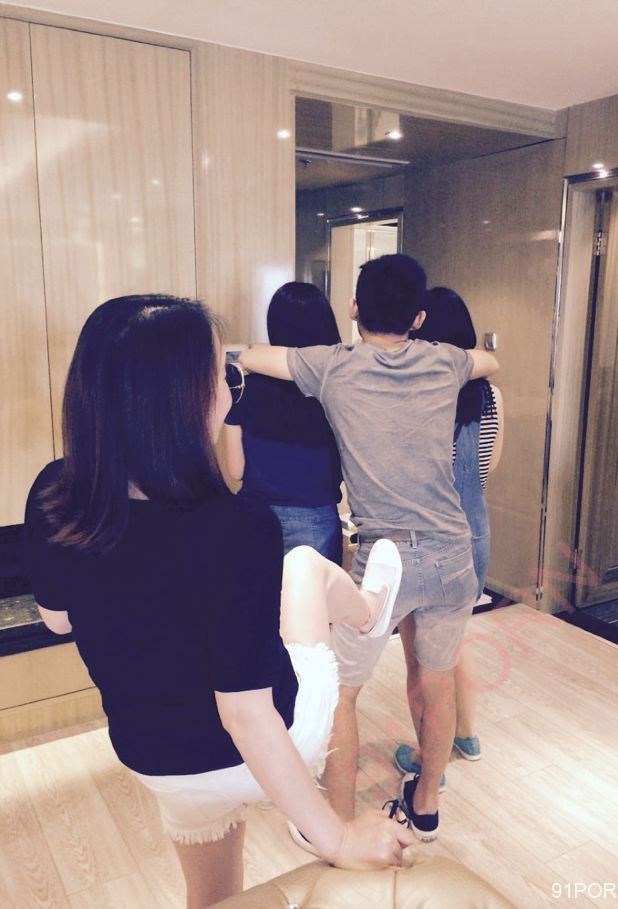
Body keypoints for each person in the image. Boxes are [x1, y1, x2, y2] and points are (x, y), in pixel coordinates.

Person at [23, 294, 412, 909]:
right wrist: (335, 836)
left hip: (155, 757)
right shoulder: (237, 525)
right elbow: (247, 716)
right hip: (273, 739)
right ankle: (367, 617)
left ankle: (365, 618)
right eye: (221, 377)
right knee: (304, 567)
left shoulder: (54, 494)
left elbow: (58, 619)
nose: (231, 393)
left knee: (211, 898)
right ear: (185, 400)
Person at [239, 254, 499, 843]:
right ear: (419, 316)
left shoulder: (333, 365)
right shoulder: (445, 361)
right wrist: (443, 350)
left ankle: (336, 821)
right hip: (453, 553)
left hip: (389, 561)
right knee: (437, 682)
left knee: (339, 692)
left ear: (354, 308)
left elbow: (253, 356)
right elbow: (490, 359)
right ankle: (426, 807)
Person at [394, 287, 504, 782]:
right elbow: (487, 467)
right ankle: (467, 735)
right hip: (475, 532)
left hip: (429, 539)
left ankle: (428, 763)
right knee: (455, 642)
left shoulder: (418, 397)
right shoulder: (491, 395)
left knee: (421, 662)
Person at [222, 282, 344, 564]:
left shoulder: (243, 388)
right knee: (315, 593)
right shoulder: (334, 389)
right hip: (316, 517)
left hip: (255, 515)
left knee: (259, 593)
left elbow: (235, 470)